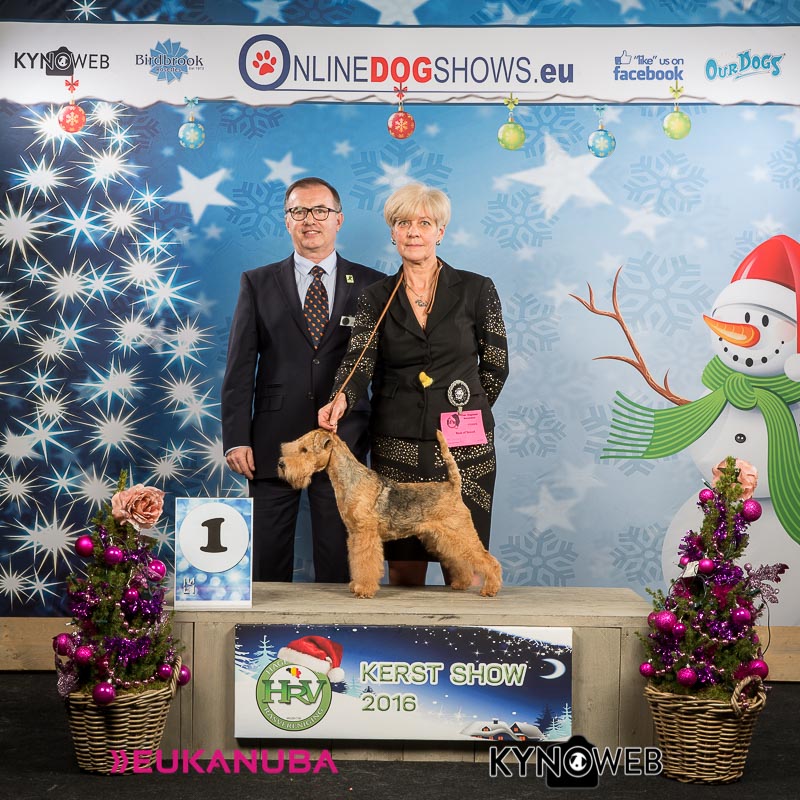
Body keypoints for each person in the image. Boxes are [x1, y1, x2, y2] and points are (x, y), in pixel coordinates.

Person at [318, 183, 509, 587]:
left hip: (465, 446)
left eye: (424, 223)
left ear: (441, 231)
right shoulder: (375, 297)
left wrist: (467, 406)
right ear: (393, 232)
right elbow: (359, 360)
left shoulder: (477, 289)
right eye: (403, 223)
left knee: (465, 561)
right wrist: (341, 398)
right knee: (405, 569)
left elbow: (496, 364)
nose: (413, 232)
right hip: (397, 443)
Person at [221, 177, 382, 582]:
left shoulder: (373, 284)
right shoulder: (257, 282)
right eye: (299, 211)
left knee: (340, 561)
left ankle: (339, 623)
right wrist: (236, 437)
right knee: (267, 563)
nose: (310, 220)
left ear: (338, 219)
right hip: (273, 440)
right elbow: (239, 367)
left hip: (345, 439)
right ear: (287, 220)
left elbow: (380, 366)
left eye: (320, 211)